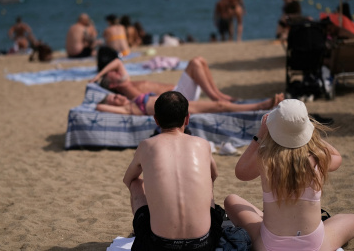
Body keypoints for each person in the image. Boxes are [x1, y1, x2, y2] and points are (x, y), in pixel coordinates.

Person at [224, 99, 354, 251]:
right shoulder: (317, 158)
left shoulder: (265, 159)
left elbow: (241, 172)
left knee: (231, 200)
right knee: (353, 219)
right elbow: (337, 158)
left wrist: (260, 135)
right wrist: (311, 133)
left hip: (269, 246)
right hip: (315, 246)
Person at [123, 91, 223, 250]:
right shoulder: (202, 144)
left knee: (136, 183)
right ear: (187, 118)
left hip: (160, 244)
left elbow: (128, 179)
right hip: (204, 243)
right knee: (207, 181)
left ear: (156, 120)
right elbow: (214, 175)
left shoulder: (146, 146)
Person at [89, 56, 236, 102]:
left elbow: (117, 62)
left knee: (201, 61)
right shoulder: (126, 89)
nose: (116, 71)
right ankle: (215, 97)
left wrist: (98, 75)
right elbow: (149, 101)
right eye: (112, 74)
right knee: (195, 63)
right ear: (113, 84)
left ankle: (219, 95)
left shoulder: (126, 81)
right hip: (179, 97)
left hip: (181, 91)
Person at [96, 90, 283, 116]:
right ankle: (261, 106)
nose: (117, 96)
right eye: (113, 99)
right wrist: (111, 104)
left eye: (115, 95)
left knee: (218, 104)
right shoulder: (128, 108)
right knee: (219, 106)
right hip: (175, 108)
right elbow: (98, 106)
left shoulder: (130, 100)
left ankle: (261, 104)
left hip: (176, 101)